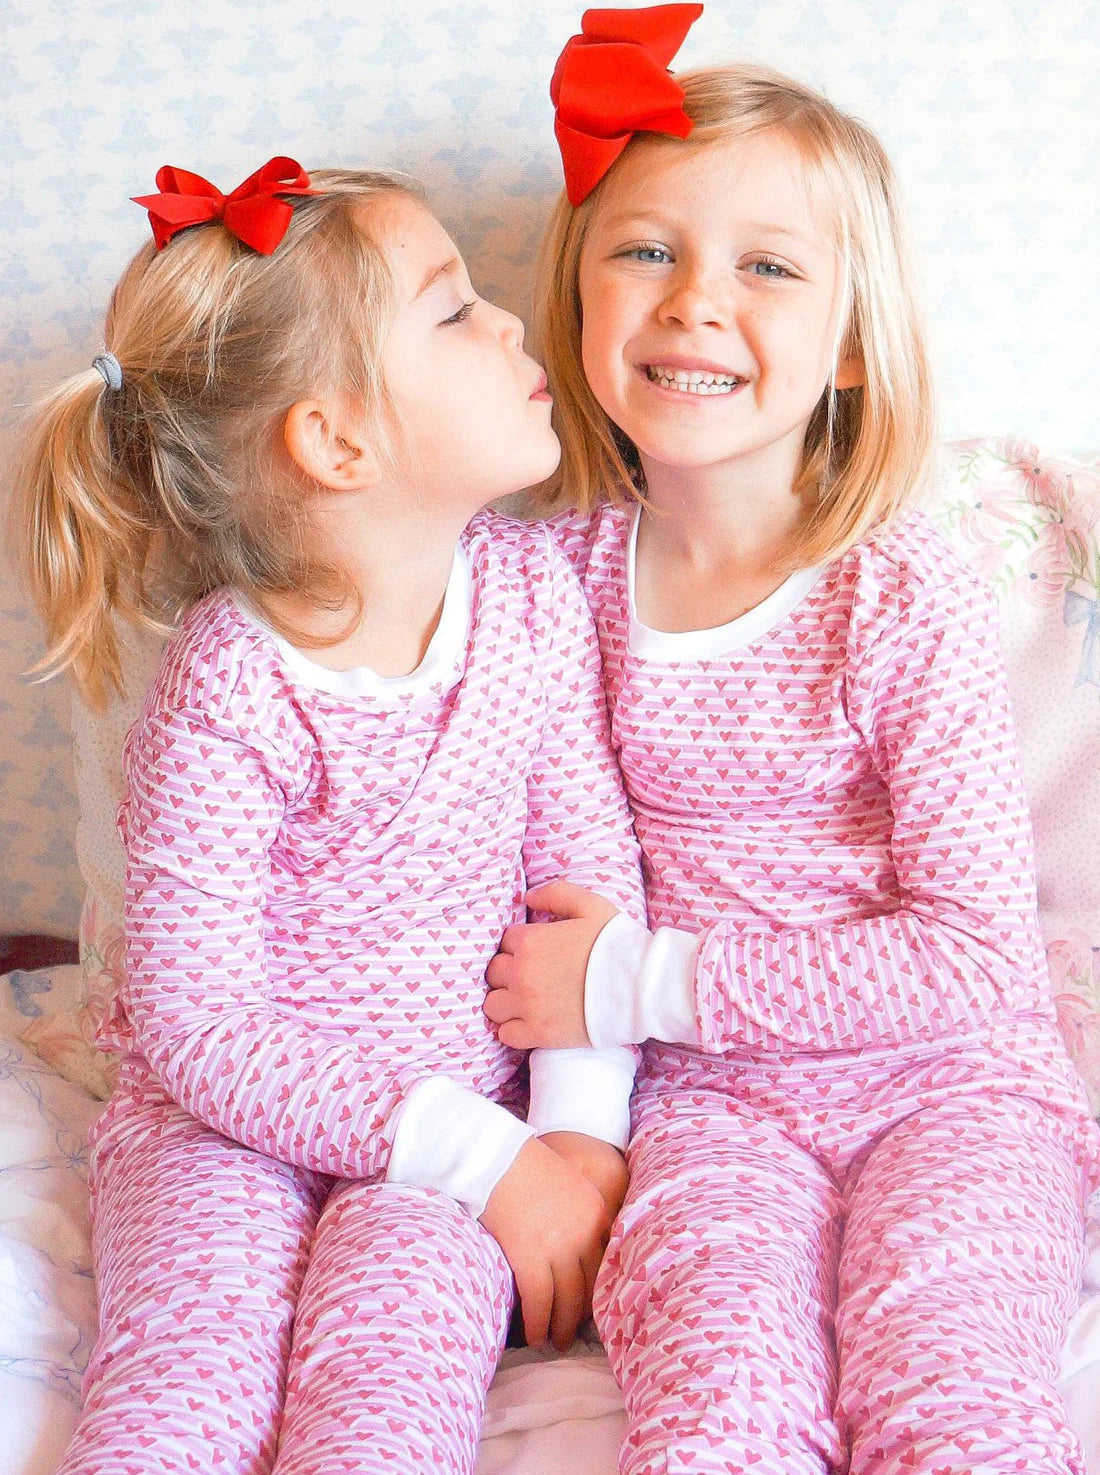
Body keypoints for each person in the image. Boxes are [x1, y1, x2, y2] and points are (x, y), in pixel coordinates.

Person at [484, 8, 1100, 1473]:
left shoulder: (900, 590)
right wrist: (577, 1115)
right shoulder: (554, 582)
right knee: (712, 1404)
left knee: (950, 1391)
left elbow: (969, 952)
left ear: (845, 344)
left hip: (951, 1083)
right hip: (709, 1109)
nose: (696, 301)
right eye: (647, 251)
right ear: (576, 297)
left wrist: (634, 981)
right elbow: (567, 873)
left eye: (766, 266)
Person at [15, 156, 645, 1475]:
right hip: (229, 1131)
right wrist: (482, 1155)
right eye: (454, 310)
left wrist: (575, 1128)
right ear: (336, 442)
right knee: (181, 1393)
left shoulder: (533, 599)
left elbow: (586, 873)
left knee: (390, 1402)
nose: (511, 322)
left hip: (453, 1142)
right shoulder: (229, 683)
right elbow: (199, 1028)